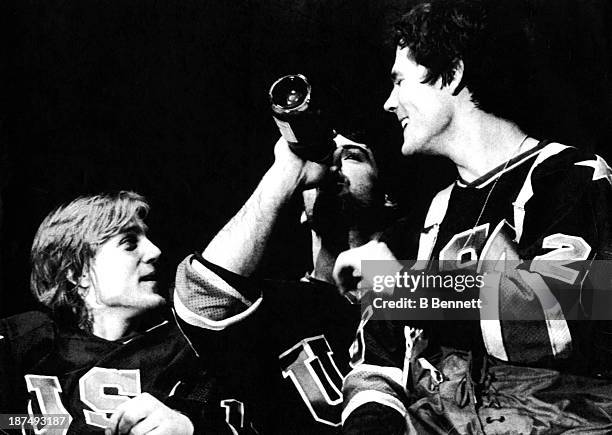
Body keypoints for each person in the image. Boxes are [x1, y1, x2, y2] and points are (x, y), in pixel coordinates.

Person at [334, 0, 612, 433]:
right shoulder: (426, 220)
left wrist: (406, 288)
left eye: (400, 82)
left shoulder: (571, 175)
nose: (389, 103)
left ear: (453, 74)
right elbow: (377, 363)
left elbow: (558, 317)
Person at [172, 130, 397, 434]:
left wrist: (399, 284)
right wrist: (285, 173)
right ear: (302, 211)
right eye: (325, 156)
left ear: (387, 200)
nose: (333, 165)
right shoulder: (274, 306)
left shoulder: (420, 277)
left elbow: (484, 311)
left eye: (352, 156)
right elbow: (202, 293)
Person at [0, 191, 242, 434]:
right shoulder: (24, 340)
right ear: (78, 273)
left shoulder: (188, 345)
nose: (155, 251)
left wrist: (189, 427)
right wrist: (60, 424)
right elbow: (5, 421)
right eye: (129, 243)